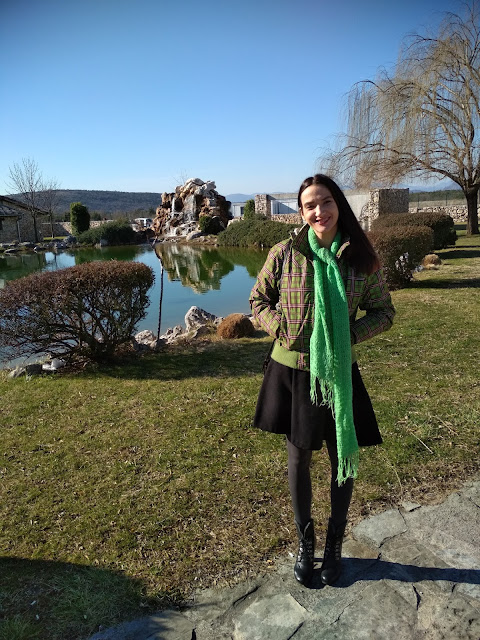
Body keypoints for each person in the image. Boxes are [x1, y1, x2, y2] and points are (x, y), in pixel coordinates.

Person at [249, 174, 395, 586]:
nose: (319, 211)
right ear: (301, 212)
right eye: (310, 205)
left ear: (338, 205)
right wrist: (283, 328)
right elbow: (257, 300)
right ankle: (305, 543)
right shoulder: (284, 254)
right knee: (299, 459)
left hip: (338, 373)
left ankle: (334, 543)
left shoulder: (361, 259)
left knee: (340, 457)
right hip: (293, 373)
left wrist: (345, 337)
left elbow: (384, 313)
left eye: (325, 202)